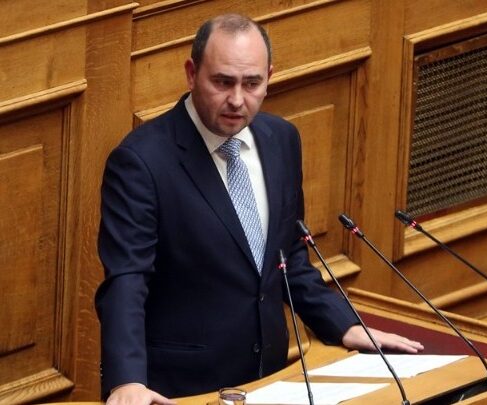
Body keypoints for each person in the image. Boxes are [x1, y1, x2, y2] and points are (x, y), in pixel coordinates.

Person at [95, 13, 423, 405]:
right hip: (182, 390)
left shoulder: (280, 139)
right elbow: (127, 278)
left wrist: (342, 325)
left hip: (269, 379)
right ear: (191, 74)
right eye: (223, 82)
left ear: (269, 77)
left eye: (251, 83)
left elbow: (289, 258)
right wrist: (126, 380)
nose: (237, 99)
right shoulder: (142, 161)